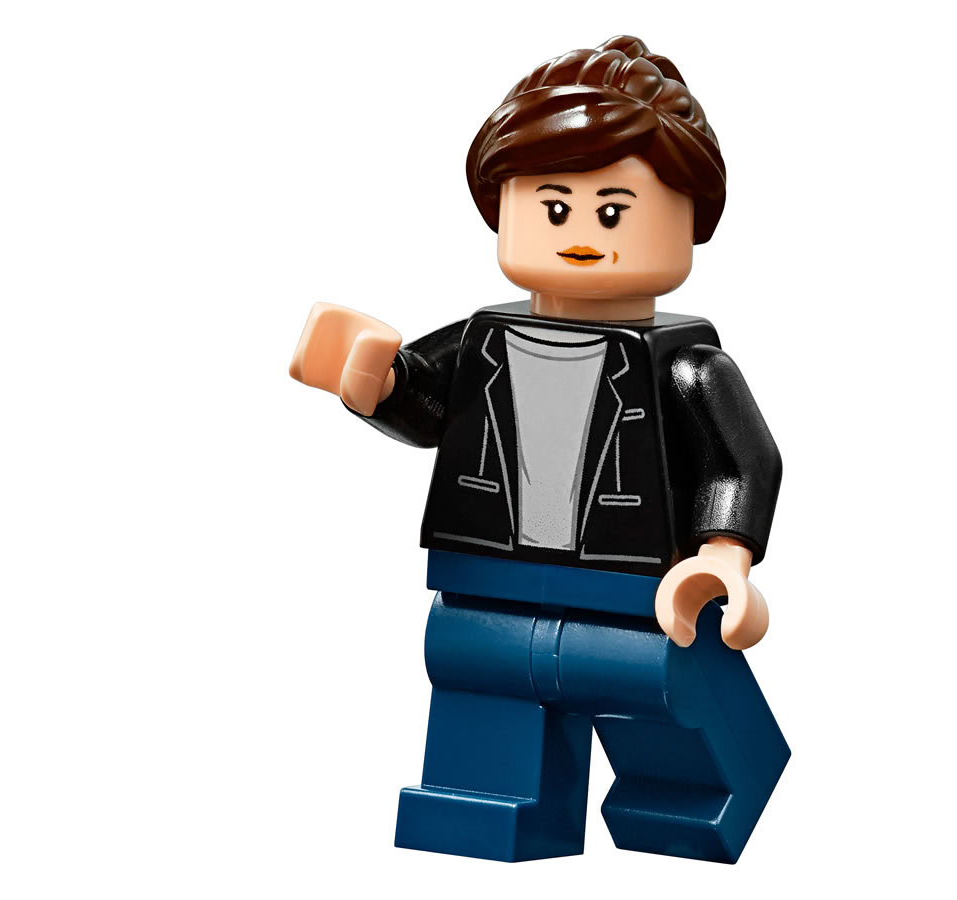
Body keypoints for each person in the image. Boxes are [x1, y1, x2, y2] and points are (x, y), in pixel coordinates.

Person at [289, 35, 789, 863]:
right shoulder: (484, 338)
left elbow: (742, 461)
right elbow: (427, 405)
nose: (580, 232)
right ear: (505, 210)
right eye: (553, 208)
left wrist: (724, 556)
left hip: (637, 593)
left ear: (690, 221)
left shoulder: (687, 366)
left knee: (659, 690)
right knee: (480, 679)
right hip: (485, 580)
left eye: (612, 211)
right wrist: (371, 380)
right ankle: (487, 802)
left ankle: (692, 796)